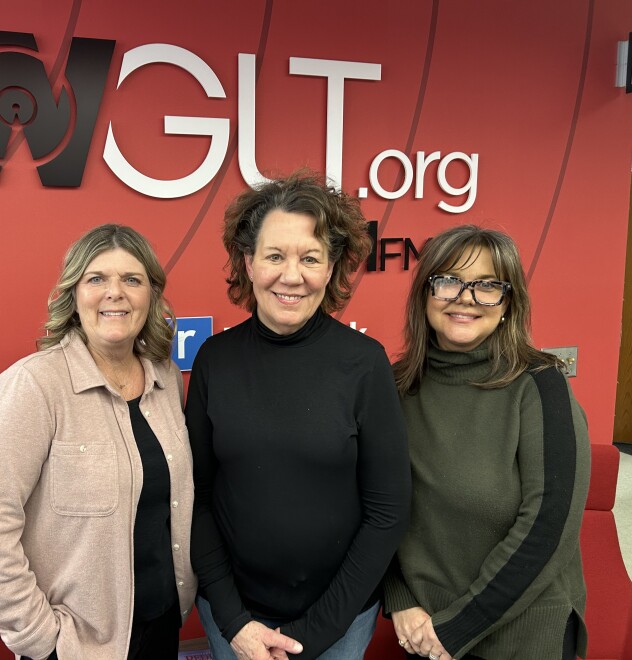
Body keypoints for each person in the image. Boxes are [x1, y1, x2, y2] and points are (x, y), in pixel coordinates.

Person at [186, 171, 412, 660]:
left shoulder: (365, 363)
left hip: (339, 622)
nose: (292, 275)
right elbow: (197, 500)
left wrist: (315, 632)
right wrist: (235, 622)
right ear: (247, 263)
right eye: (274, 256)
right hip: (235, 618)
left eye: (310, 258)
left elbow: (387, 510)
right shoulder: (214, 361)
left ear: (330, 270)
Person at [0, 224, 197, 660]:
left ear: (151, 296)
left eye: (132, 279)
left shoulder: (164, 377)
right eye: (96, 279)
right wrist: (42, 641)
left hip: (162, 626)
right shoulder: (33, 386)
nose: (115, 293)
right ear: (73, 294)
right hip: (76, 645)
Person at [384, 225, 590, 660]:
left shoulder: (541, 386)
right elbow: (375, 507)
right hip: (425, 631)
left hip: (522, 635)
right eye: (449, 281)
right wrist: (399, 598)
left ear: (508, 302)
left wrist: (460, 627)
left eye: (487, 286)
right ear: (425, 292)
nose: (466, 298)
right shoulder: (395, 388)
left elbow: (548, 528)